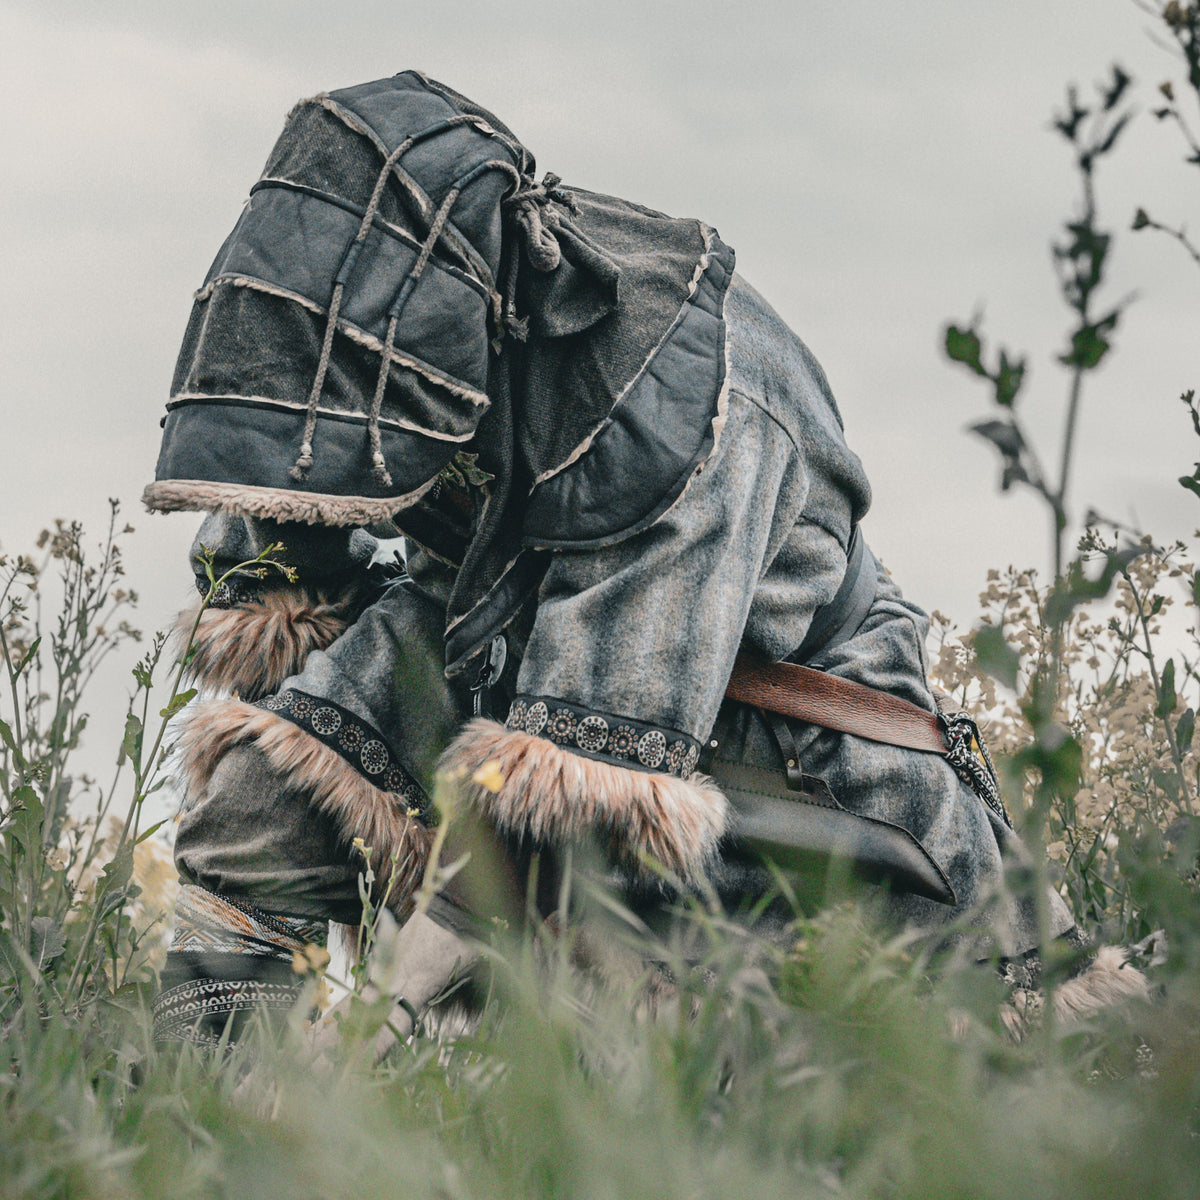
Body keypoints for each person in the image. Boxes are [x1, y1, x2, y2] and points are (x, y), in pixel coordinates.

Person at [145, 72, 1136, 1048]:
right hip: (500, 647)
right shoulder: (367, 330)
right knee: (256, 792)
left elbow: (577, 783)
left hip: (779, 752)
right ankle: (211, 1107)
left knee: (752, 1043)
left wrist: (383, 1028)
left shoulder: (698, 399)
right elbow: (290, 521)